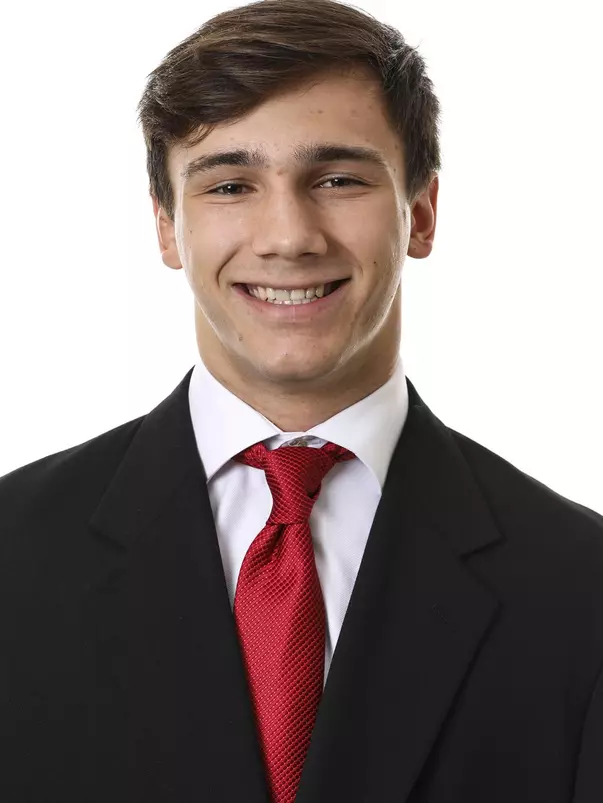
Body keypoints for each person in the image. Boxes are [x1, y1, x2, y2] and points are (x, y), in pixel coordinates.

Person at [1, 0, 602, 801]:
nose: (288, 235)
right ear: (167, 227)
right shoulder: (14, 554)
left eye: (338, 178)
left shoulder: (578, 584)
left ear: (419, 213)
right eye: (230, 184)